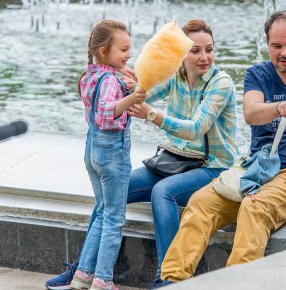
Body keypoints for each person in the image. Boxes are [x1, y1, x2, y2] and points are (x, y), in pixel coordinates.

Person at [156, 10, 286, 287]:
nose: (284, 53)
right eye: (277, 46)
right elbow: (251, 113)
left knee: (254, 207)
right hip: (256, 168)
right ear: (267, 43)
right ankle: (172, 281)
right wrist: (278, 108)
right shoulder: (258, 74)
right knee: (200, 203)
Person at [45, 19, 239, 290]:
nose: (204, 57)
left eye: (209, 49)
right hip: (174, 161)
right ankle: (84, 269)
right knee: (110, 195)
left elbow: (196, 129)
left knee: (164, 192)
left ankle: (168, 277)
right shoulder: (176, 77)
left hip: (213, 167)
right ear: (180, 54)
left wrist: (152, 114)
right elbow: (139, 93)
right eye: (195, 50)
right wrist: (122, 79)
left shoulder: (221, 83)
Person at [69, 19, 147, 290]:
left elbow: (100, 103)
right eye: (123, 50)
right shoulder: (111, 80)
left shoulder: (90, 75)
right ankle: (103, 280)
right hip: (113, 152)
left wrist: (127, 81)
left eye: (129, 49)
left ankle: (83, 276)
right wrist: (133, 98)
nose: (128, 55)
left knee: (102, 212)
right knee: (114, 218)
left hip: (92, 151)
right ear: (104, 52)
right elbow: (105, 113)